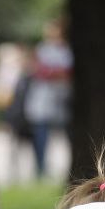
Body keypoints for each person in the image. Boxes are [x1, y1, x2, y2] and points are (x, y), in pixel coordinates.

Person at [22, 20, 72, 178]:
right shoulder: (42, 49)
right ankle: (41, 167)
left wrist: (50, 72)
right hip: (42, 102)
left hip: (61, 100)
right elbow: (38, 70)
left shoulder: (65, 51)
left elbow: (65, 72)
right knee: (40, 134)